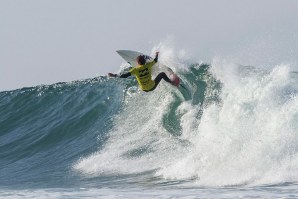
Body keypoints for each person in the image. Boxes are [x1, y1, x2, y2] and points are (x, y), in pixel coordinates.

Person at [108, 52, 175, 92]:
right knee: (162, 74)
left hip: (144, 89)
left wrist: (114, 75)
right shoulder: (148, 65)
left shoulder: (135, 70)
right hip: (152, 86)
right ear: (145, 61)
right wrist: (157, 54)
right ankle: (171, 82)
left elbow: (124, 76)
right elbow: (155, 60)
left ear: (137, 62)